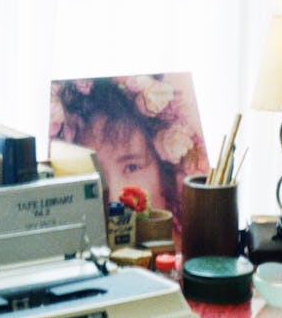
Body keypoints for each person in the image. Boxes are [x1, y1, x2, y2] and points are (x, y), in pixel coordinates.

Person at [49, 74, 209, 246]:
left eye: (132, 167)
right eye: (95, 173)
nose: (115, 198)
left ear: (164, 170)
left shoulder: (194, 249)